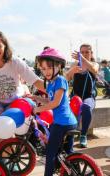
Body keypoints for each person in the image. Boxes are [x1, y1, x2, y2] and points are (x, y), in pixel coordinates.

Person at [0, 30, 44, 149]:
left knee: (11, 129)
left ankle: (12, 157)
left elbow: (36, 81)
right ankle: (1, 160)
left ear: (5, 46)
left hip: (15, 100)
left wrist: (57, 90)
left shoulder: (16, 62)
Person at [33, 48, 77, 176]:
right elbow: (49, 100)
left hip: (62, 123)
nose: (45, 71)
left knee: (50, 153)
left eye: (49, 67)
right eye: (43, 68)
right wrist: (35, 97)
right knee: (68, 153)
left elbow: (55, 103)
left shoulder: (60, 80)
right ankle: (73, 171)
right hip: (67, 122)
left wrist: (37, 109)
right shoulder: (52, 83)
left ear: (59, 66)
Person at [65, 44, 99, 148]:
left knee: (86, 107)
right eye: (82, 52)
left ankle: (83, 135)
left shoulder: (94, 64)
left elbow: (95, 70)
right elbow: (66, 78)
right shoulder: (75, 64)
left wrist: (82, 59)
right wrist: (73, 69)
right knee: (67, 112)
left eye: (86, 52)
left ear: (91, 53)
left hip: (89, 97)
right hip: (75, 97)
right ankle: (68, 139)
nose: (84, 54)